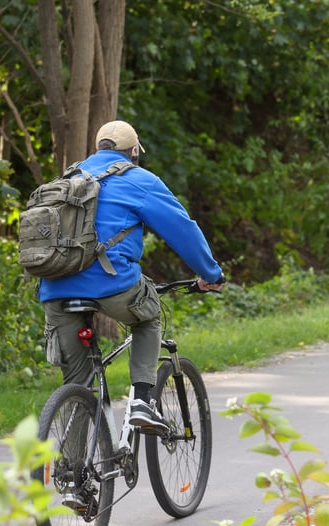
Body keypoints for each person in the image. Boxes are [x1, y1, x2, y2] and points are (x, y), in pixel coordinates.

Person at [39, 120, 225, 432]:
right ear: (134, 151)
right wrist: (211, 273)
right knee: (148, 315)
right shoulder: (139, 179)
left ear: (98, 148)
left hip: (54, 288)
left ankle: (72, 474)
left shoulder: (68, 178)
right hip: (111, 284)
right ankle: (142, 401)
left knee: (79, 385)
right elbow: (183, 230)